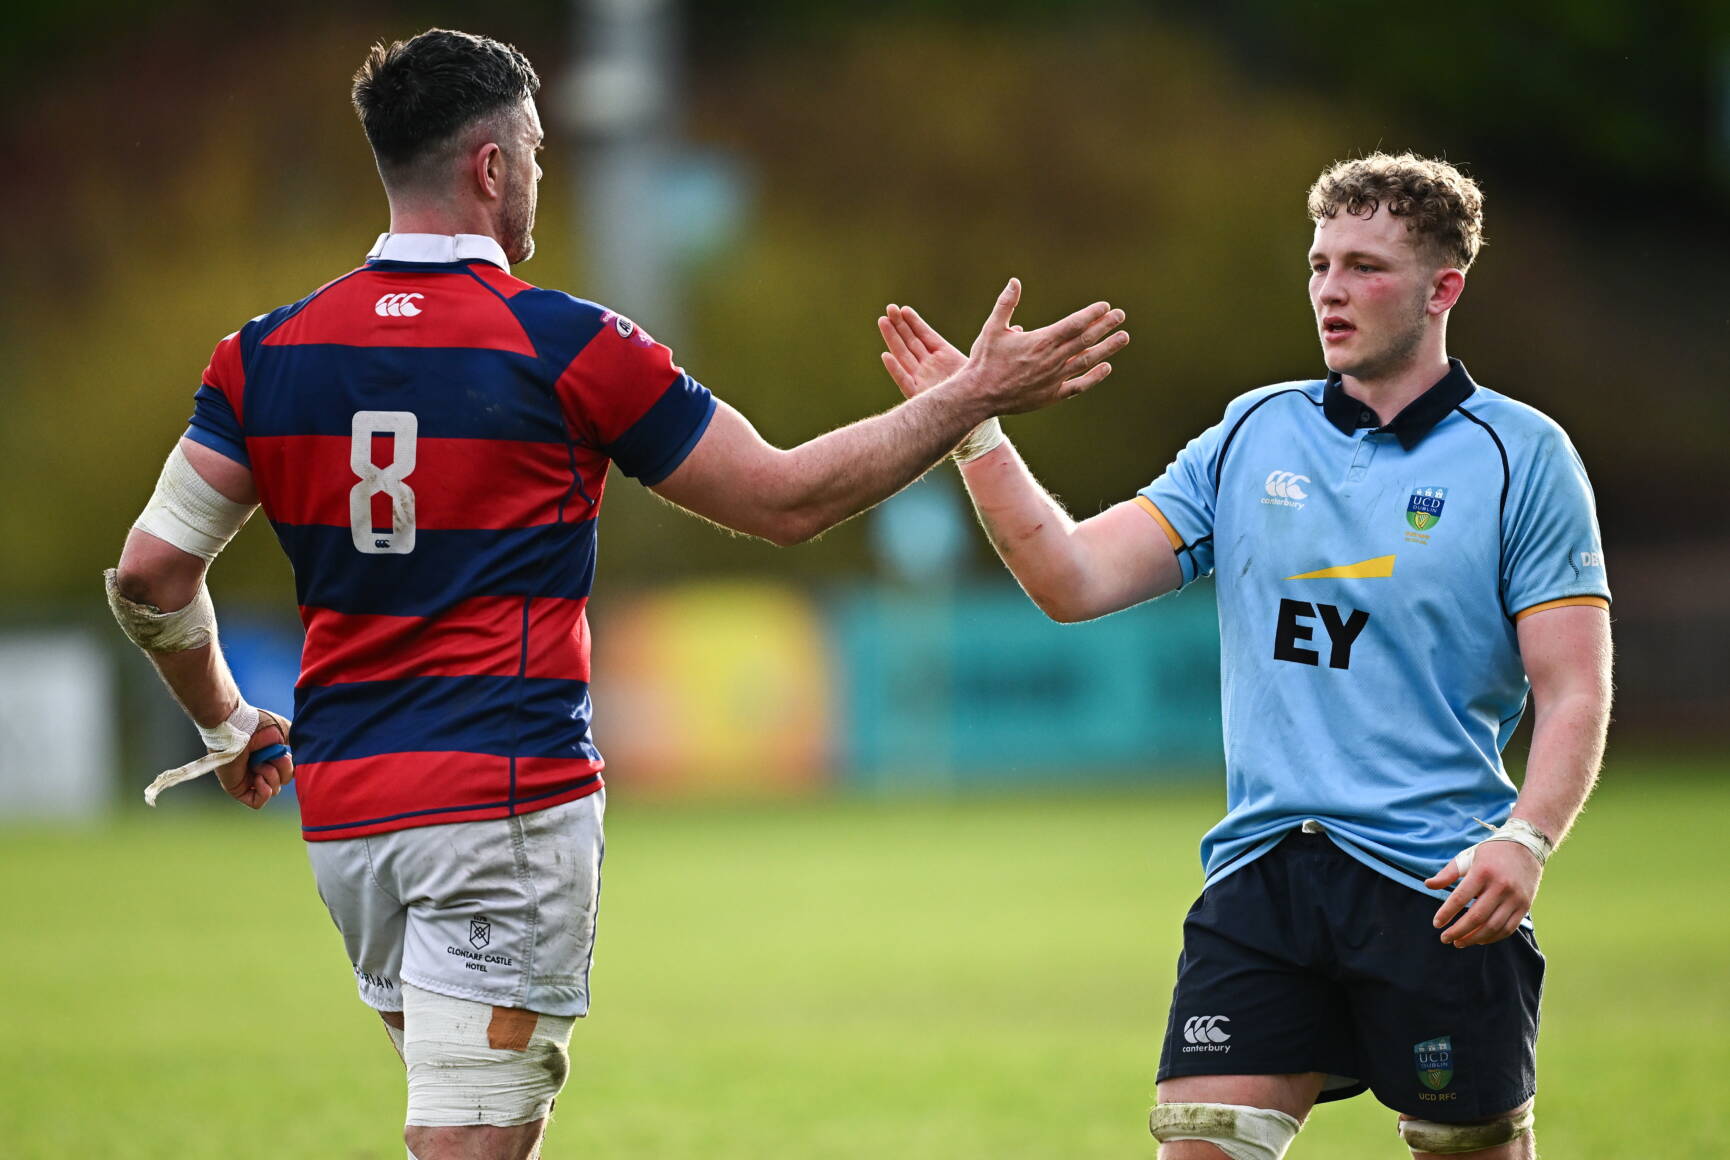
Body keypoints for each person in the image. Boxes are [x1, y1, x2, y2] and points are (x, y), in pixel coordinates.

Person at [104, 27, 1128, 1160]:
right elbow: (783, 499)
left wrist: (225, 720)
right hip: (499, 803)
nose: (542, 174)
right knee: (468, 1144)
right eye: (535, 149)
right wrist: (969, 398)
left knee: (468, 1124)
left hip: (350, 822)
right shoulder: (569, 345)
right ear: (492, 167)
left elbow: (151, 573)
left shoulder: (260, 355)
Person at [878, 152, 1611, 1160]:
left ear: (1442, 288)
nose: (1328, 290)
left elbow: (1571, 685)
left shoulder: (1519, 456)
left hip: (1436, 884)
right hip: (1262, 876)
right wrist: (972, 428)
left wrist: (1525, 839)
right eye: (1317, 264)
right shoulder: (1251, 432)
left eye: (1363, 266)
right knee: (1199, 1145)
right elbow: (1072, 580)